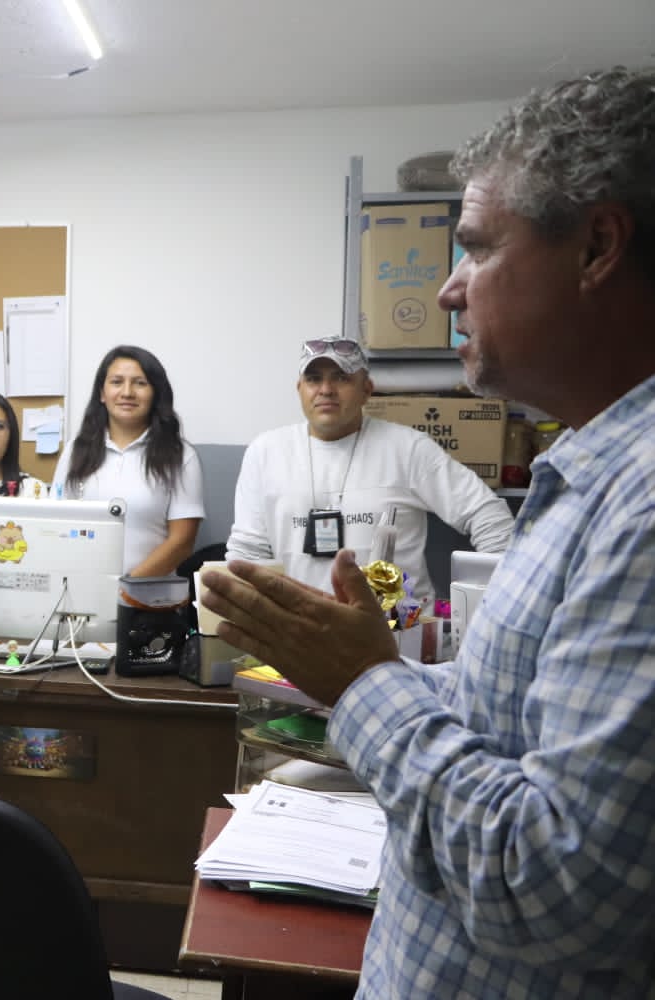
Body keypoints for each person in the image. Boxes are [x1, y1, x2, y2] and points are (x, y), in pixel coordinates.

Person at [200, 67, 655, 997]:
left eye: (478, 248)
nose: (448, 291)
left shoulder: (640, 505)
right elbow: (509, 708)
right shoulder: (588, 469)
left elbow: (552, 890)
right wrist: (383, 671)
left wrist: (366, 682)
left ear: (598, 246)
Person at [225, 336, 514, 604]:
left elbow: (489, 516)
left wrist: (489, 602)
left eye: (342, 378)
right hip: (300, 633)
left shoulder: (408, 448)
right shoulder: (265, 452)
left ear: (367, 390)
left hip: (397, 638)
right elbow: (248, 553)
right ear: (299, 389)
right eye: (314, 379)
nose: (326, 389)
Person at [52, 345, 203, 576]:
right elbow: (55, 522)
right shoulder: (75, 449)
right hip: (80, 594)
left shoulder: (181, 455)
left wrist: (126, 588)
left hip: (148, 600)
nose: (127, 392)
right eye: (116, 382)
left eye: (140, 383)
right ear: (102, 393)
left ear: (155, 393)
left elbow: (181, 542)